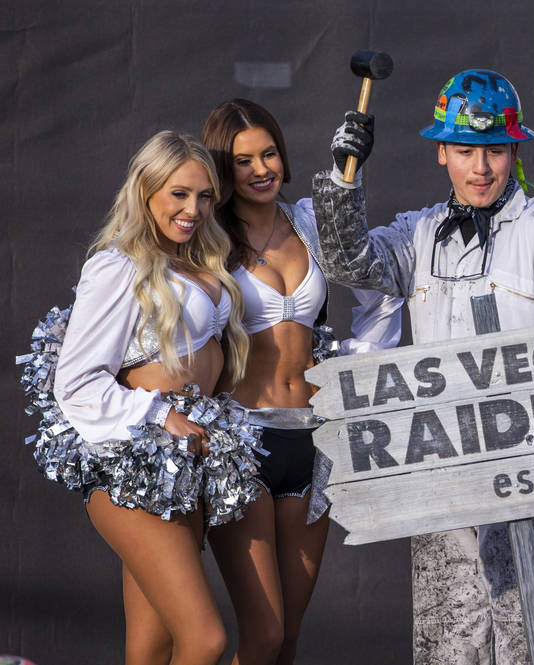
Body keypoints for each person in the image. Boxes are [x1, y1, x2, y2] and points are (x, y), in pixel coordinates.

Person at [310, 69, 534, 664]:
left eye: (495, 150)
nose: (481, 167)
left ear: (514, 152)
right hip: (443, 474)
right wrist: (341, 179)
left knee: (531, 643)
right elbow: (349, 262)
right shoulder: (418, 233)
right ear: (442, 153)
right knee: (445, 647)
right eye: (465, 150)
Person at [201, 99, 401, 665]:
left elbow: (379, 288)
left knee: (287, 639)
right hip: (243, 441)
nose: (261, 169)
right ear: (223, 168)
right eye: (243, 161)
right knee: (261, 636)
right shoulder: (208, 239)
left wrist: (353, 373)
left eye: (269, 154)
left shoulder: (311, 219)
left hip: (315, 442)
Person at [50, 131, 257, 664]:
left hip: (184, 466)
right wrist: (161, 414)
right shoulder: (118, 266)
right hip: (135, 462)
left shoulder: (203, 261)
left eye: (205, 195)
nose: (194, 209)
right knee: (205, 639)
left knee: (152, 644)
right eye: (178, 194)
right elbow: (74, 381)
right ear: (146, 193)